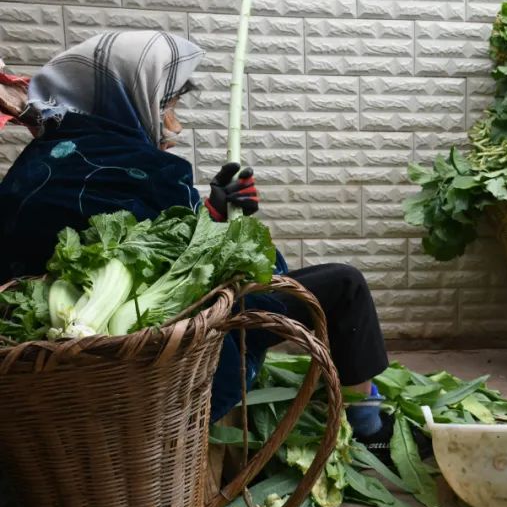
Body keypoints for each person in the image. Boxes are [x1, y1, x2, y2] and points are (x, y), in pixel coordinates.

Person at [0, 31, 393, 451]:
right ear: (125, 97)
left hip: (49, 366)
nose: (175, 124)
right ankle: (369, 428)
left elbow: (147, 244)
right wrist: (229, 230)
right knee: (344, 285)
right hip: (152, 362)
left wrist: (215, 212)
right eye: (168, 105)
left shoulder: (52, 158)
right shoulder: (135, 167)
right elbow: (204, 274)